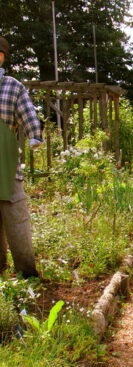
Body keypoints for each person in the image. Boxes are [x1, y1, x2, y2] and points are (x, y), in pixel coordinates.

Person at [0, 36, 42, 278]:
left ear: (2, 57)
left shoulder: (12, 86)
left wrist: (34, 135)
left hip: (6, 163)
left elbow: (28, 114)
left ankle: (27, 273)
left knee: (16, 219)